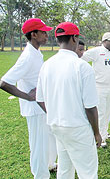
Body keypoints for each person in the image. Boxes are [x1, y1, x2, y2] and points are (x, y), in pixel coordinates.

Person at [36, 22, 102, 179]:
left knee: (65, 169)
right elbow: (91, 106)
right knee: (88, 172)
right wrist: (97, 133)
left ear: (58, 40)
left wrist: (55, 113)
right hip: (78, 128)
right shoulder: (82, 66)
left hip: (57, 126)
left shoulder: (47, 65)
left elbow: (39, 99)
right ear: (74, 38)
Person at [0, 18, 57, 179]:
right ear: (33, 34)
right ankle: (40, 175)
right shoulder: (27, 56)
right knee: (38, 144)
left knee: (49, 137)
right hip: (34, 109)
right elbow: (4, 82)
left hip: (42, 105)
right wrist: (28, 97)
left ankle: (50, 164)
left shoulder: (36, 52)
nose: (47, 35)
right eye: (43, 32)